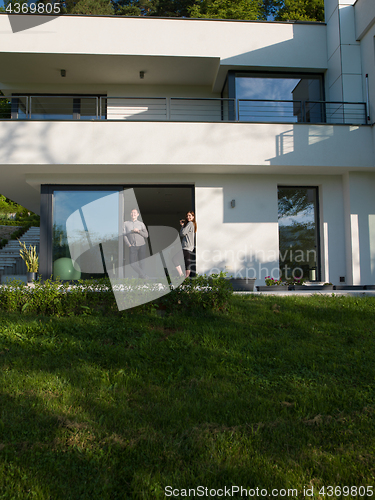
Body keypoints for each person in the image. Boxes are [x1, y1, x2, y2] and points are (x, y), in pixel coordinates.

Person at [123, 208, 149, 279]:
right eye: (132, 213)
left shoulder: (141, 224)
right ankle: (144, 275)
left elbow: (146, 235)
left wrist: (139, 231)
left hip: (142, 245)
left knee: (142, 263)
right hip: (132, 246)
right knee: (132, 263)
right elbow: (124, 235)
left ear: (138, 214)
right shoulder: (125, 223)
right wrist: (129, 244)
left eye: (134, 213)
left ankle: (143, 281)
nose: (133, 214)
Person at [175, 211, 197, 278]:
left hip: (186, 246)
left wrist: (182, 226)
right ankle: (186, 279)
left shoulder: (190, 223)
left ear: (193, 217)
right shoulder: (193, 224)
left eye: (190, 215)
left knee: (174, 259)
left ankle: (181, 275)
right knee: (187, 264)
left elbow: (182, 233)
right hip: (190, 247)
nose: (188, 217)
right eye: (187, 216)